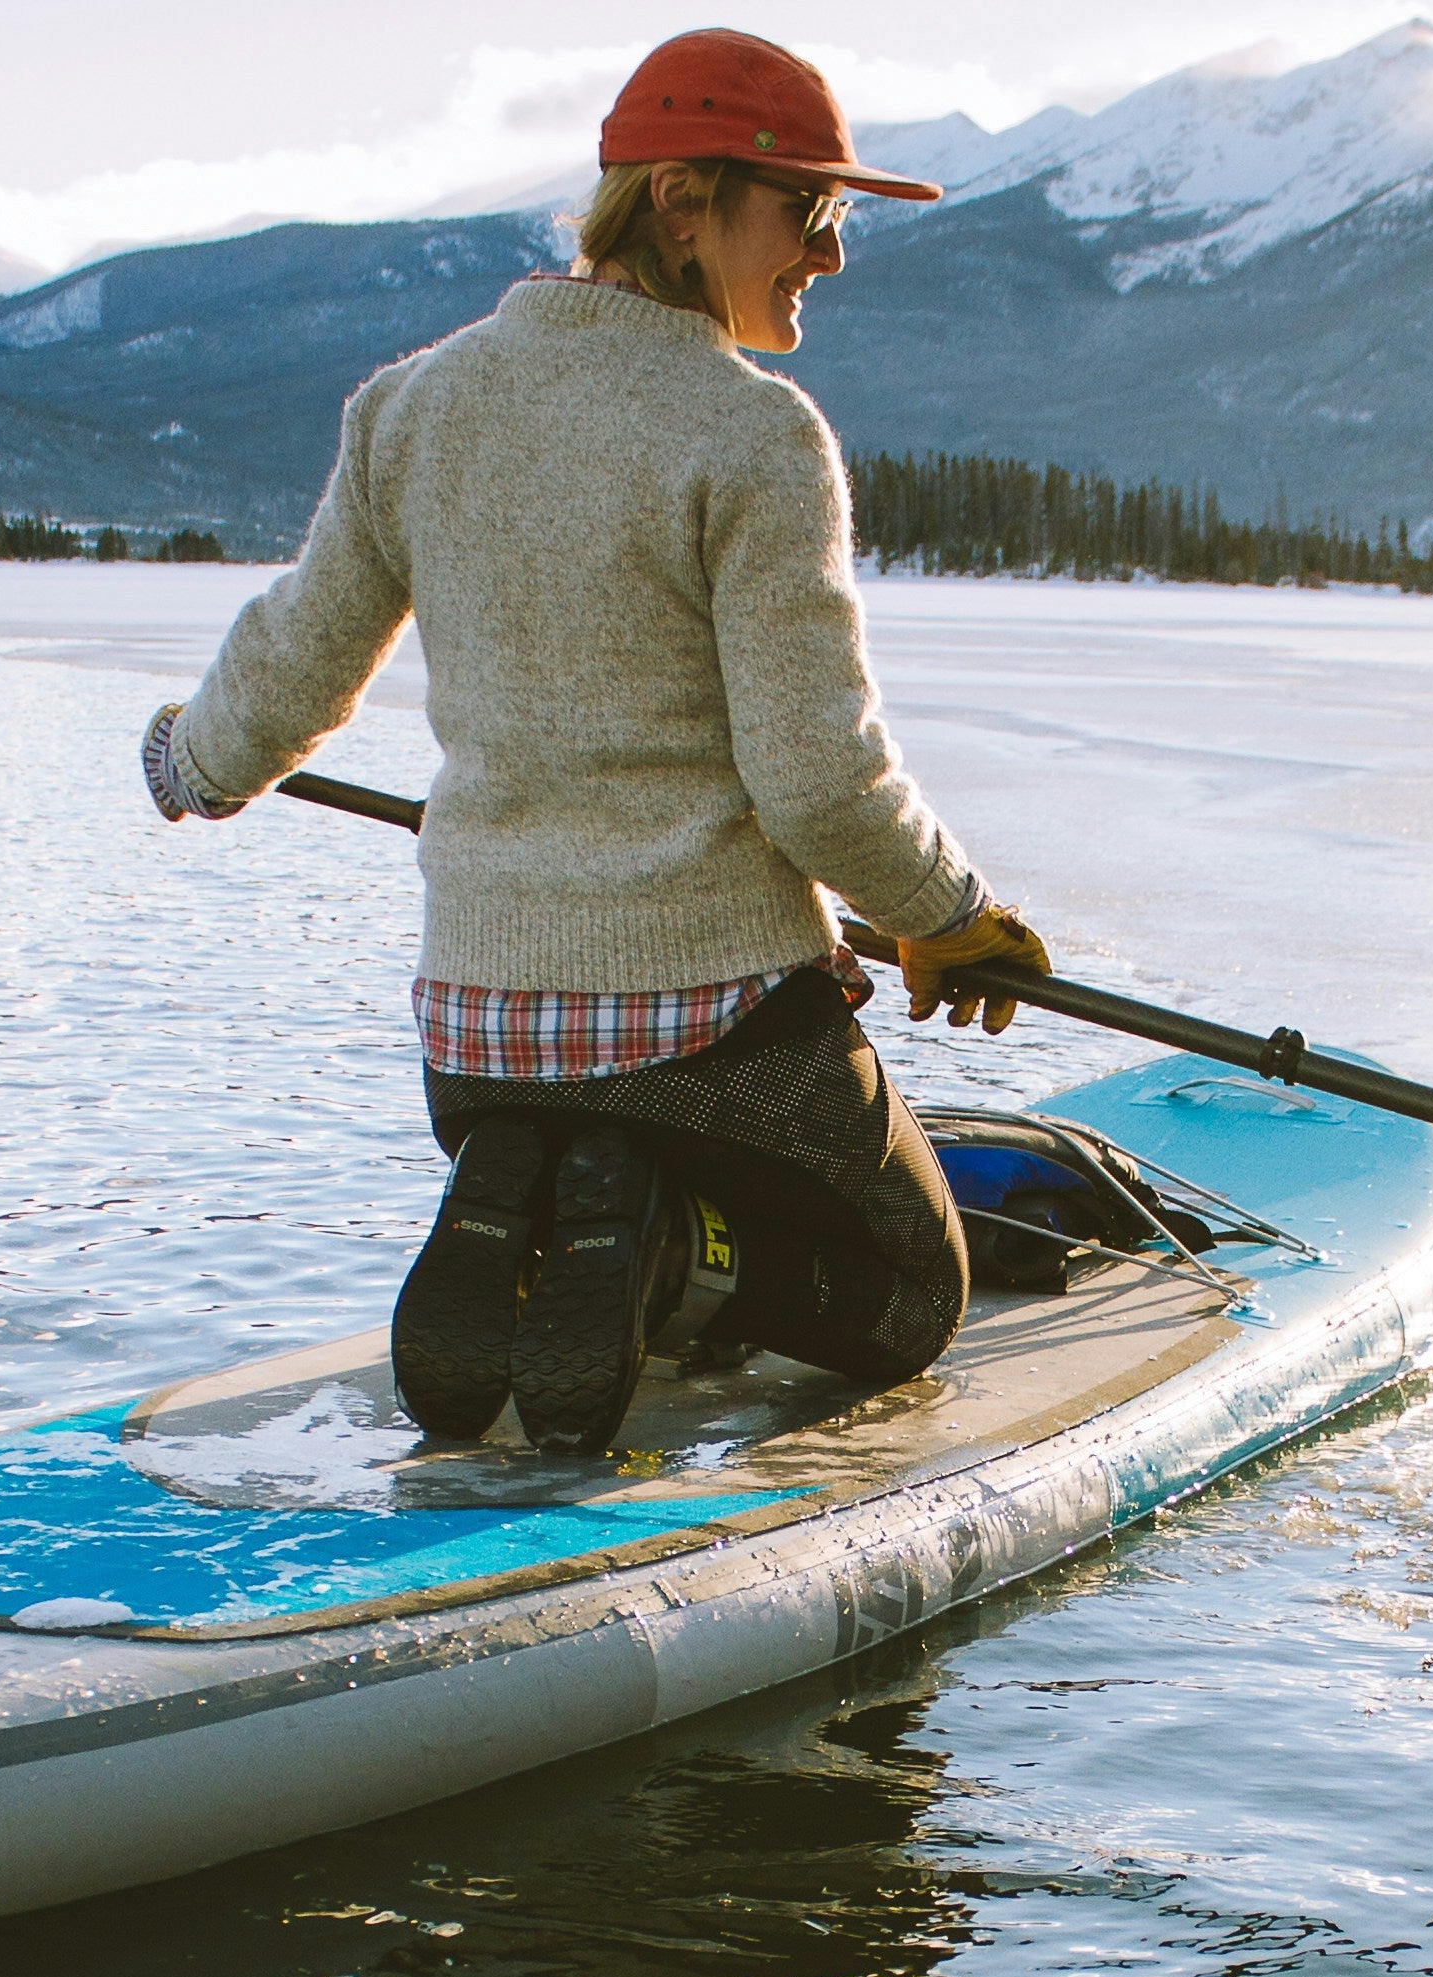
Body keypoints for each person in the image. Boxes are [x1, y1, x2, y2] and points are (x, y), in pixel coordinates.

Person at [142, 26, 1052, 1455]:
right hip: (716, 1033)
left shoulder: (408, 406)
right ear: (684, 203)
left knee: (591, 1120)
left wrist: (191, 764)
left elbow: (293, 664)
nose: (832, 252)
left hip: (475, 1036)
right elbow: (817, 783)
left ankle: (558, 1189)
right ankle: (666, 1256)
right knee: (905, 1295)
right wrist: (951, 914)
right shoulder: (754, 435)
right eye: (810, 211)